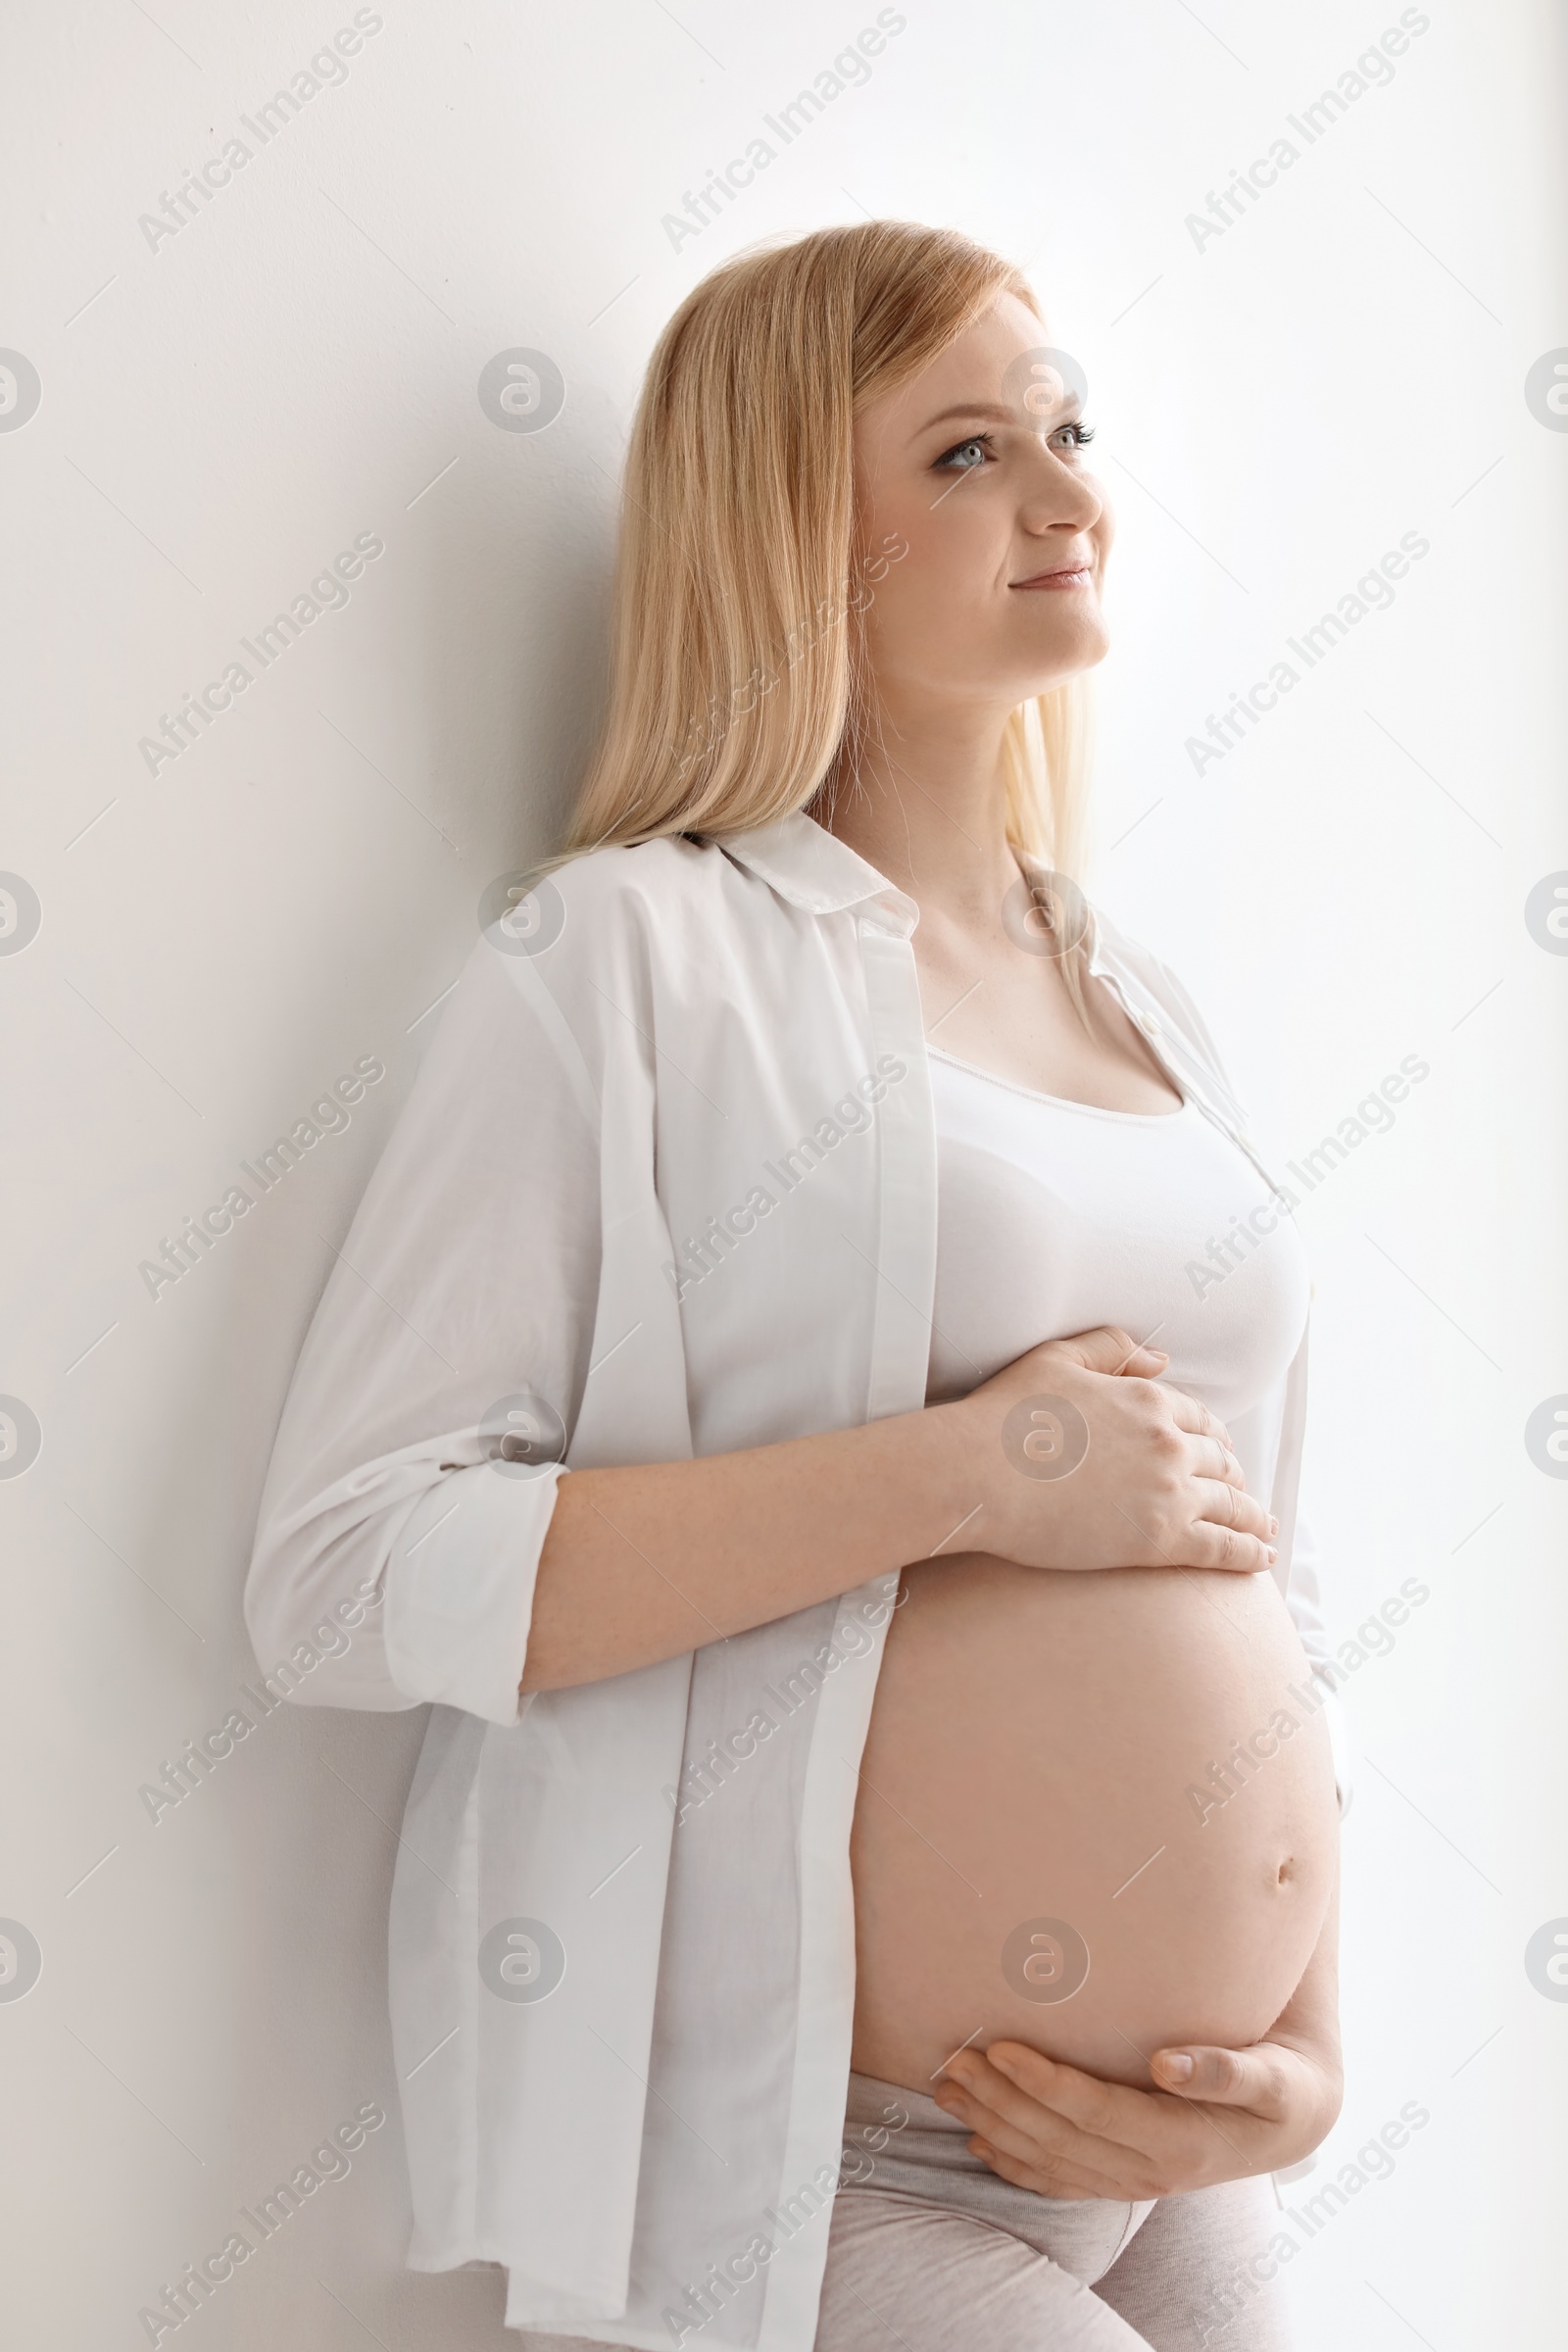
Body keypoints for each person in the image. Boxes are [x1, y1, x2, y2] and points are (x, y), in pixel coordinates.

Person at [247, 220, 1348, 2350]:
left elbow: (1266, 1585)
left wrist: (1302, 2060)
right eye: (960, 452)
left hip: (1169, 2155)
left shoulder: (1146, 1013)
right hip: (822, 2156)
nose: (1060, 491)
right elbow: (344, 1574)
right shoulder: (627, 963)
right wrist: (967, 1475)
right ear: (790, 536)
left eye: (1065, 427)